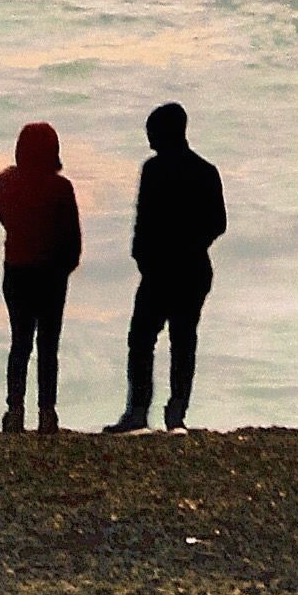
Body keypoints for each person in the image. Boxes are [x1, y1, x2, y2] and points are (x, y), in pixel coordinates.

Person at [102, 102, 226, 433]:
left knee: (142, 339)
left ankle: (138, 411)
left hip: (160, 270)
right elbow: (218, 223)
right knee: (183, 340)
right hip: (193, 269)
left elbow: (143, 224)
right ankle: (176, 415)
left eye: (152, 131)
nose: (149, 138)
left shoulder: (154, 170)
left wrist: (143, 257)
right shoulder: (206, 170)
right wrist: (191, 245)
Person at [0, 121, 80, 434]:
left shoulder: (5, 182)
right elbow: (72, 237)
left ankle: (14, 410)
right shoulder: (61, 187)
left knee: (20, 343)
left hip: (15, 268)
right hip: (51, 273)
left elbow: (3, 216)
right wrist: (66, 266)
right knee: (47, 346)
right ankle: (47, 413)